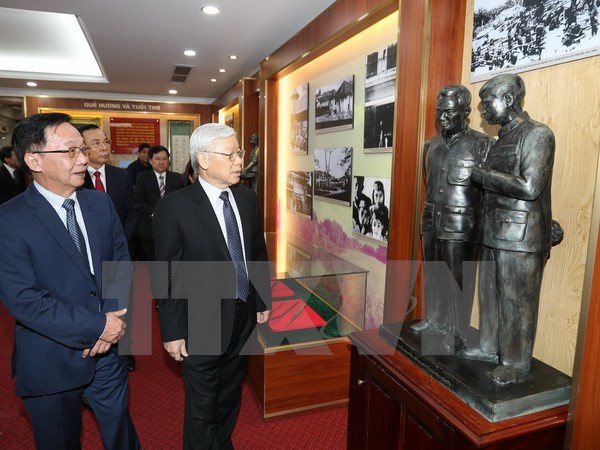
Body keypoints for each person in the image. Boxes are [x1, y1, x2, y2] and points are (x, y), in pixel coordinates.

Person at [0, 113, 140, 449]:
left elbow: (120, 264)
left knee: (122, 436)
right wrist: (97, 326)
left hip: (109, 352)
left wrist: (110, 325)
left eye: (82, 149)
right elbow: (25, 300)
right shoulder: (9, 219)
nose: (83, 159)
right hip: (51, 357)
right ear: (34, 160)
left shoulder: (100, 204)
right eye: (71, 151)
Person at [152, 123, 271, 449]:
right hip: (200, 321)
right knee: (203, 404)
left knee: (230, 393)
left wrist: (262, 299)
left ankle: (221, 443)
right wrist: (172, 330)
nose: (240, 161)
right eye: (230, 154)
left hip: (242, 314)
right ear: (203, 159)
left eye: (239, 152)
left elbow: (256, 252)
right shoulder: (174, 206)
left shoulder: (247, 198)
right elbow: (166, 272)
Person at [462, 74, 555, 386]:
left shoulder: (538, 135)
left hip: (520, 237)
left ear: (510, 99)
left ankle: (515, 363)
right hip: (493, 232)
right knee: (490, 295)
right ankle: (490, 347)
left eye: (487, 102)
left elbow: (530, 187)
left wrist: (484, 177)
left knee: (516, 303)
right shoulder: (500, 139)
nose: (483, 109)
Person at [409, 85, 494, 352]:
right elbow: (428, 181)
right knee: (433, 273)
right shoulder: (430, 145)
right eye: (439, 111)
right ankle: (434, 319)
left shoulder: (482, 145)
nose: (442, 117)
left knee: (458, 280)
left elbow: (490, 192)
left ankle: (457, 332)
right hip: (431, 220)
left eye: (449, 112)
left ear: (466, 111)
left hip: (461, 226)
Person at [79, 124, 140, 371]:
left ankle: (125, 350)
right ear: (82, 148)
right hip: (86, 257)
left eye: (105, 141)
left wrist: (119, 241)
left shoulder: (121, 176)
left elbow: (133, 212)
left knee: (123, 303)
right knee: (91, 303)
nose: (104, 147)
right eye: (96, 143)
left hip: (120, 254)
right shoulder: (76, 177)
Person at [135, 145, 183, 261]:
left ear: (168, 161)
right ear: (151, 160)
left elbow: (181, 201)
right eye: (157, 159)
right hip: (149, 229)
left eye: (164, 159)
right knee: (152, 261)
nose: (161, 162)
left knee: (171, 261)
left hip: (173, 228)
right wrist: (156, 213)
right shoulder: (142, 178)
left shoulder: (177, 178)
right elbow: (138, 200)